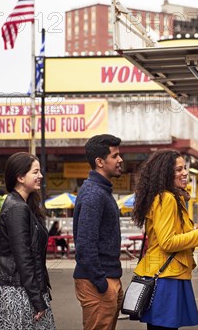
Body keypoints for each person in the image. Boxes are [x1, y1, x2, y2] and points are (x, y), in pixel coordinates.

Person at [131, 149, 198, 330]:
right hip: (166, 277)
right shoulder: (167, 199)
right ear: (165, 173)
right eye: (178, 170)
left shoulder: (168, 197)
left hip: (165, 274)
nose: (184, 173)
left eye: (184, 168)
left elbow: (171, 235)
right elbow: (168, 242)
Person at [0, 152, 55, 329]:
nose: (40, 176)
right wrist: (37, 299)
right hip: (19, 292)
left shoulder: (24, 205)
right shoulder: (17, 208)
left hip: (25, 288)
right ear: (20, 177)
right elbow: (23, 258)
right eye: (35, 172)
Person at [73, 134, 124, 330]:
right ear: (100, 162)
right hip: (97, 282)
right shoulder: (94, 193)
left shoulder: (101, 191)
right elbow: (85, 244)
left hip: (107, 277)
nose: (120, 160)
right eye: (115, 156)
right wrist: (101, 283)